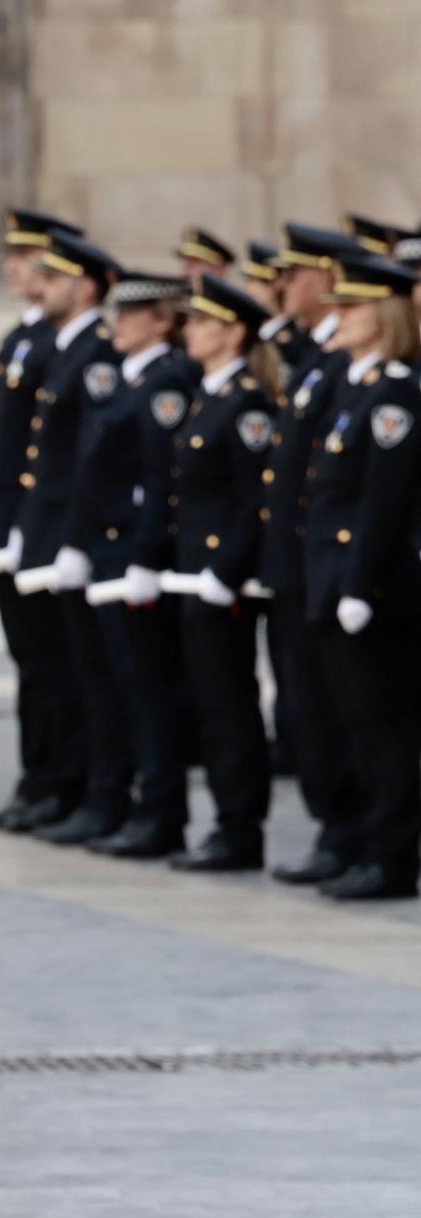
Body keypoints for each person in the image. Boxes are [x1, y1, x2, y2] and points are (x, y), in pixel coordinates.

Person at [302, 253, 421, 901]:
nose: (338, 316)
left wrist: (358, 585)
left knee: (385, 728)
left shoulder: (394, 395)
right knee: (357, 723)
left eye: (352, 307)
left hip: (370, 588)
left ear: (385, 315)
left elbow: (383, 503)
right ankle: (372, 844)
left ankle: (393, 855)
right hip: (334, 579)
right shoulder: (355, 387)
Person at [0, 209, 81, 834]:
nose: (16, 268)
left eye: (30, 258)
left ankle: (59, 783)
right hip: (15, 529)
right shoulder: (22, 338)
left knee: (53, 666)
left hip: (41, 530)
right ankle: (39, 782)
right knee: (34, 665)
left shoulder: (51, 345)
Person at [74, 270, 197, 858]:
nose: (117, 324)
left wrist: (145, 558)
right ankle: (124, 800)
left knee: (150, 691)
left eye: (132, 314)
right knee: (120, 686)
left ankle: (160, 811)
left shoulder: (165, 381)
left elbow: (160, 478)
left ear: (163, 320)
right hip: (110, 550)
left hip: (135, 554)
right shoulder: (132, 379)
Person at [260, 223, 369, 884]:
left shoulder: (345, 368)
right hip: (300, 563)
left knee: (342, 709)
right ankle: (338, 828)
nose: (281, 285)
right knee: (310, 705)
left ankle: (355, 834)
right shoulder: (318, 359)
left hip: (328, 563)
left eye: (295, 273)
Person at [163, 275, 282, 872]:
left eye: (203, 322)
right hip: (195, 574)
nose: (189, 330)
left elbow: (252, 501)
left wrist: (226, 569)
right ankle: (226, 822)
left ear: (233, 332)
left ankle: (240, 830)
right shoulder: (210, 395)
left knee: (230, 705)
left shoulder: (246, 403)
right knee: (210, 705)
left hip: (222, 580)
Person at [10, 230, 123, 838]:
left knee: (85, 678)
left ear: (83, 286)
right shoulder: (62, 347)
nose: (40, 285)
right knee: (53, 671)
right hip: (47, 532)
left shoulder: (95, 353)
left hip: (71, 537)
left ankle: (91, 794)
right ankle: (54, 784)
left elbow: (91, 460)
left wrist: (73, 540)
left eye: (52, 277)